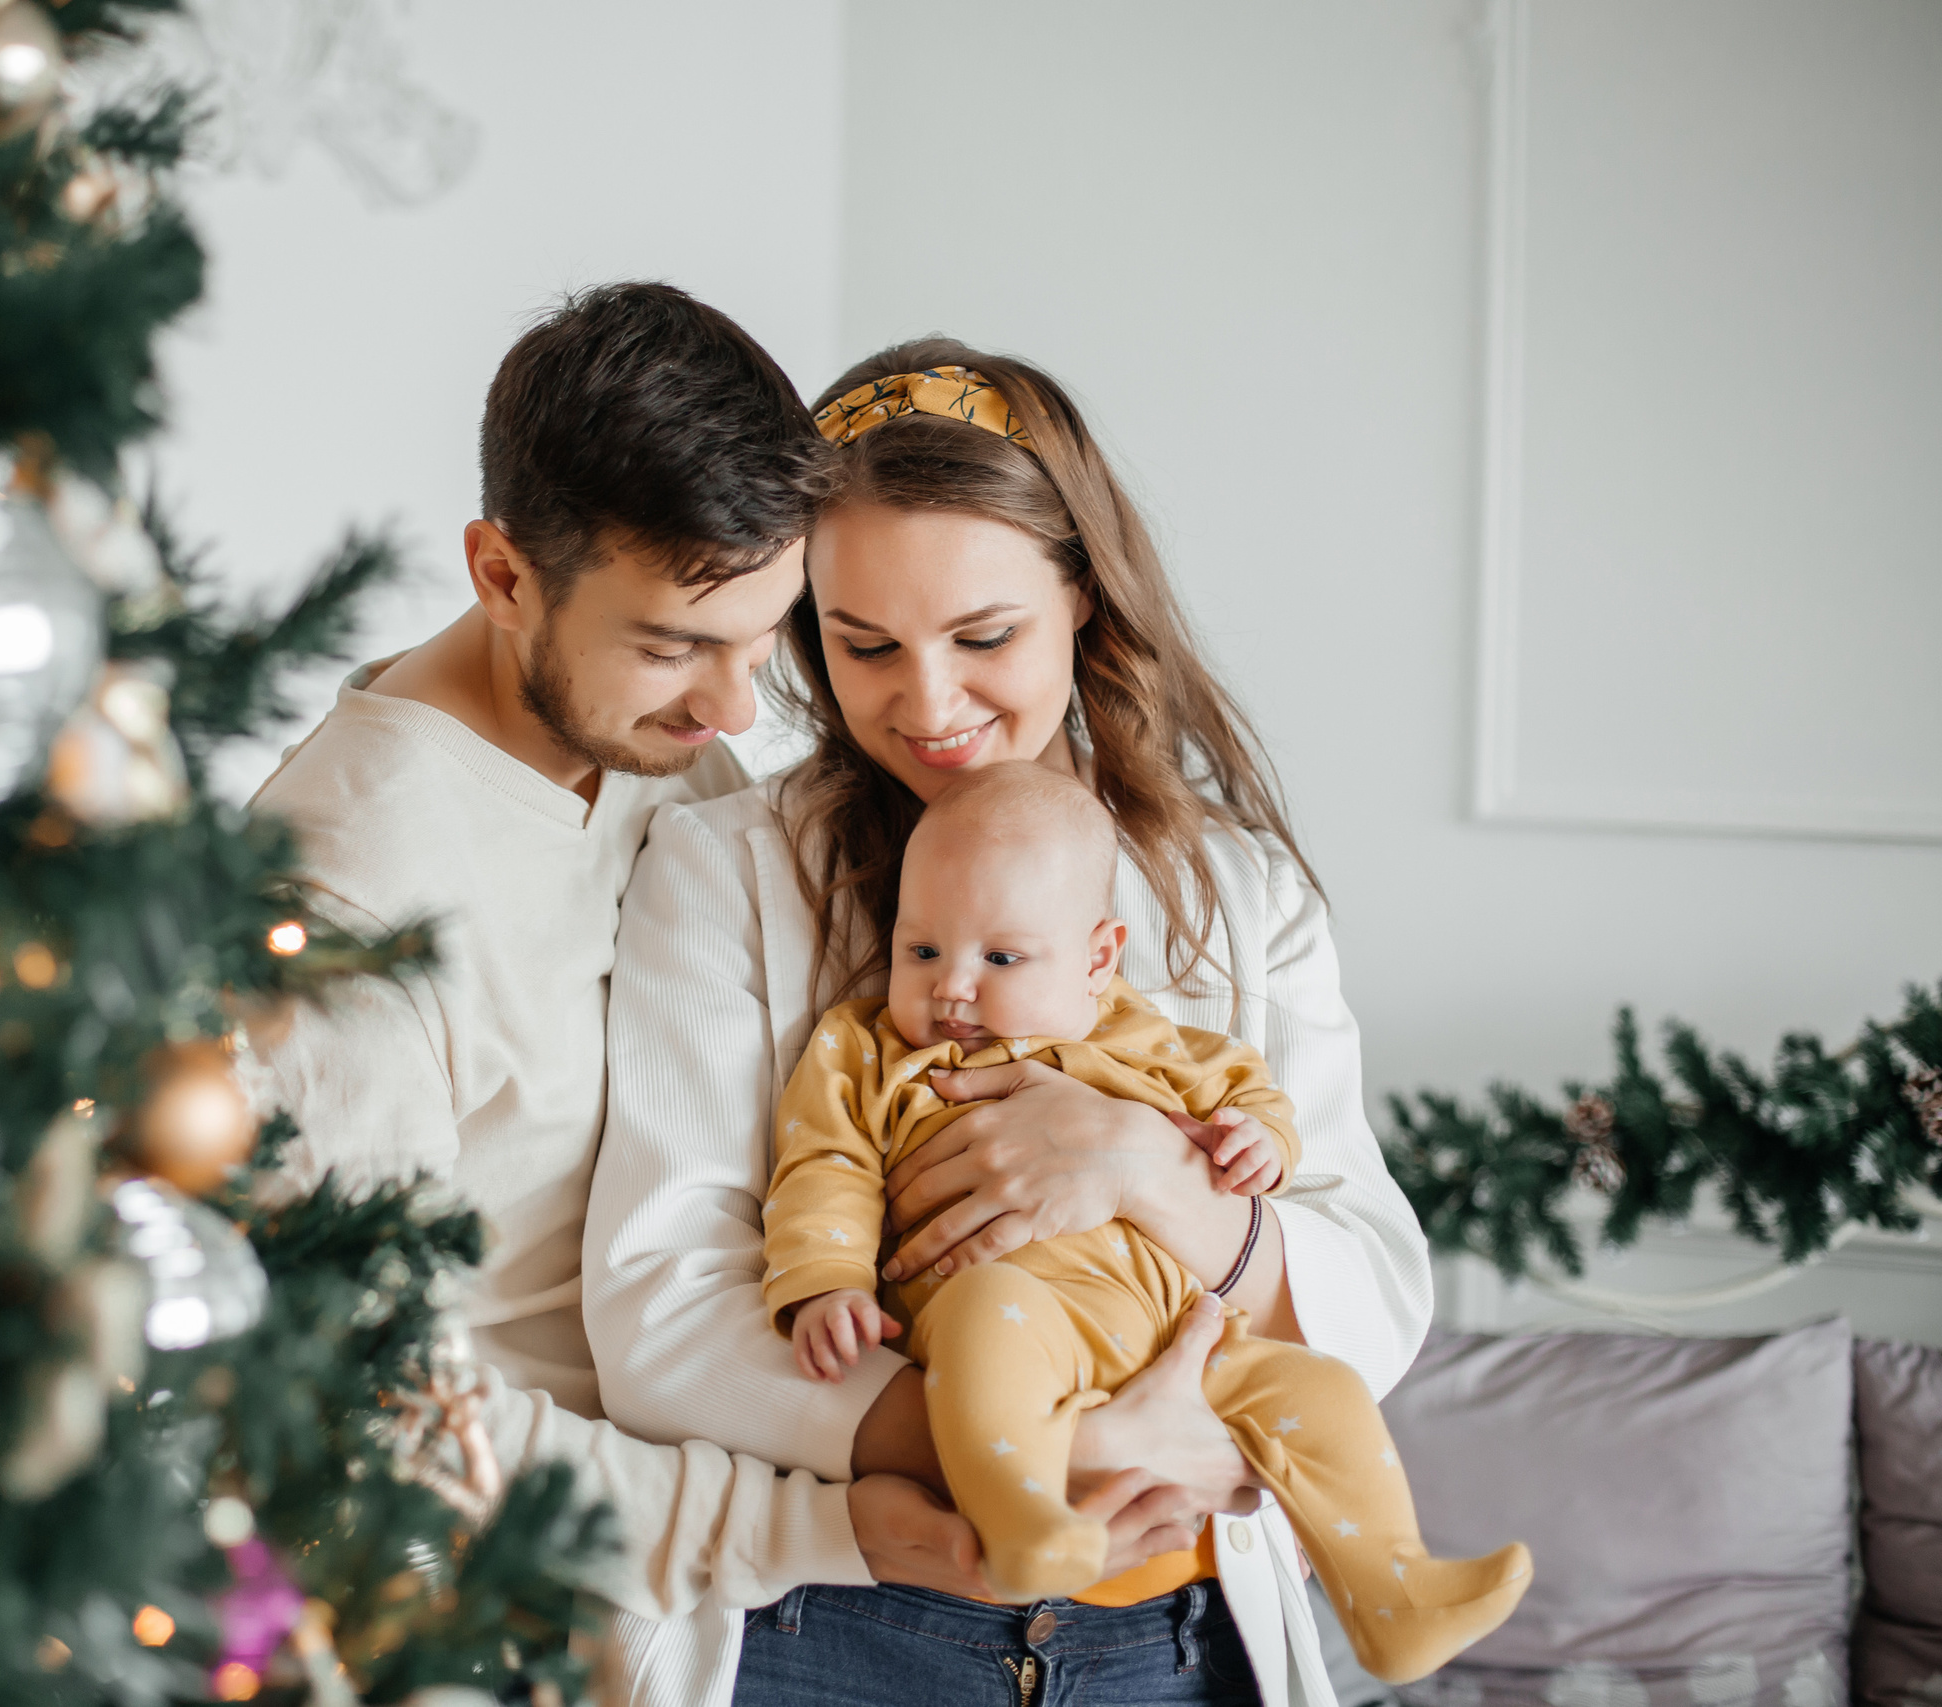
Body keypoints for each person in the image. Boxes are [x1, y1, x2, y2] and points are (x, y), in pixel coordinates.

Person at [256, 290, 1241, 1707]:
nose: (734, 710)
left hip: (689, 1598)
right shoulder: (347, 898)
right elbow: (371, 1407)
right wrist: (833, 1513)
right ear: (501, 573)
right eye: (671, 643)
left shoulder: (652, 754)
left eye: (762, 635)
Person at [582, 348, 1434, 1706]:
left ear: (1083, 599)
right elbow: (661, 1313)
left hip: (1172, 1636)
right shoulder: (722, 870)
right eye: (865, 645)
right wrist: (1052, 1448)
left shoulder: (1239, 894)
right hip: (840, 1633)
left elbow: (1374, 1290)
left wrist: (1144, 1169)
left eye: (983, 637)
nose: (928, 705)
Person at [769, 762, 1529, 1676]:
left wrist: (1260, 1144)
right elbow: (827, 1164)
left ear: (1097, 957)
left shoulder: (1141, 1038)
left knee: (1317, 1389)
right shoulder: (866, 1051)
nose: (952, 988)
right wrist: (826, 1280)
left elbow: (1248, 1097)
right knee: (984, 1327)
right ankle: (1023, 1520)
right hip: (1016, 1314)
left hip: (1183, 1338)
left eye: (1000, 958)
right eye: (921, 950)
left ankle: (1393, 1589)